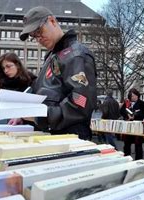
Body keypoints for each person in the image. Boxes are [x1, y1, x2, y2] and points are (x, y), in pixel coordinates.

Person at [9, 6, 97, 140]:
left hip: (71, 138)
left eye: (39, 31)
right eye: (33, 36)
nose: (38, 38)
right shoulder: (53, 56)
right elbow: (45, 95)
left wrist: (38, 116)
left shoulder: (76, 55)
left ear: (52, 21)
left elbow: (80, 105)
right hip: (53, 136)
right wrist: (24, 117)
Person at [120, 88, 144, 160]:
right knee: (126, 143)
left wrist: (134, 116)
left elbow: (143, 114)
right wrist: (126, 116)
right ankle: (126, 158)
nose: (134, 97)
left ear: (138, 95)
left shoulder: (141, 103)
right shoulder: (127, 102)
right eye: (132, 96)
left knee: (138, 144)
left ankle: (138, 160)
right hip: (128, 126)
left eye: (135, 95)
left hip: (137, 126)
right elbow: (121, 111)